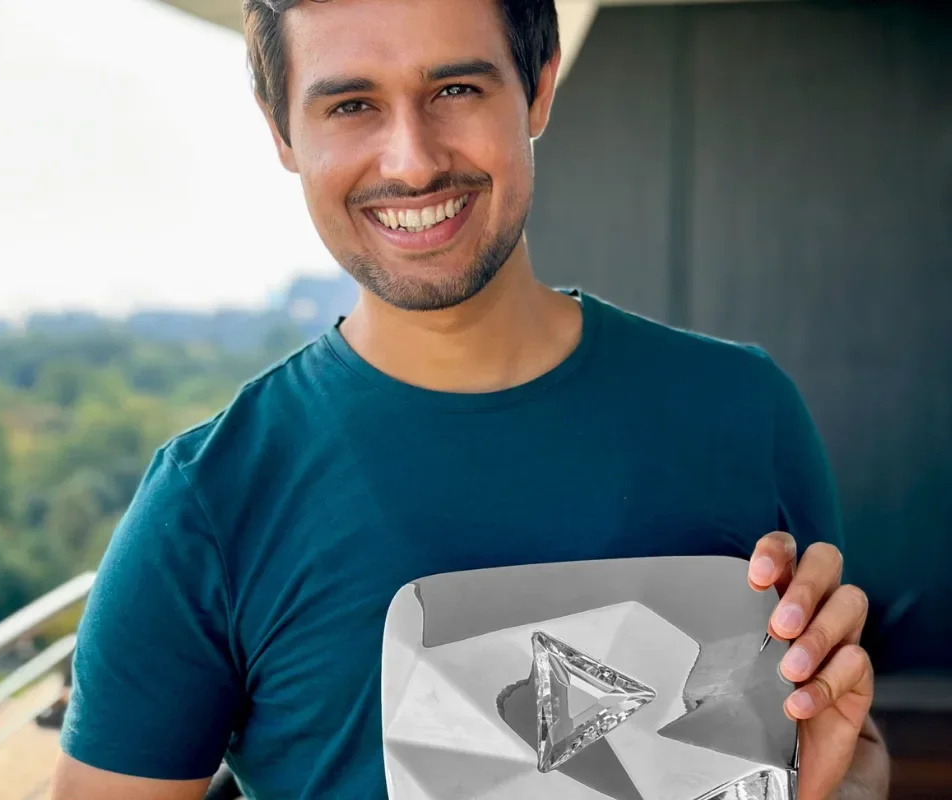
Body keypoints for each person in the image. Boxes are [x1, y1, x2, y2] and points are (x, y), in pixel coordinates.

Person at [49, 1, 890, 798]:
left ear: (540, 86)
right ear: (282, 132)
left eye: (455, 89)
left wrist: (825, 780)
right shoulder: (205, 507)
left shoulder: (746, 412)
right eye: (350, 104)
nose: (412, 160)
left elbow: (850, 752)